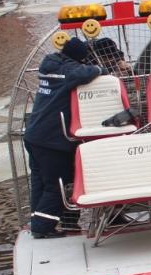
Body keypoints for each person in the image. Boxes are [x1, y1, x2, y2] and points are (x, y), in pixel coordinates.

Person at [23, 38, 104, 238]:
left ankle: (37, 221)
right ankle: (43, 228)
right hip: (52, 139)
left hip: (35, 134)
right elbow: (83, 73)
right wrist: (100, 69)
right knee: (57, 184)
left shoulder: (49, 63)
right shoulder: (68, 72)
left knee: (40, 182)